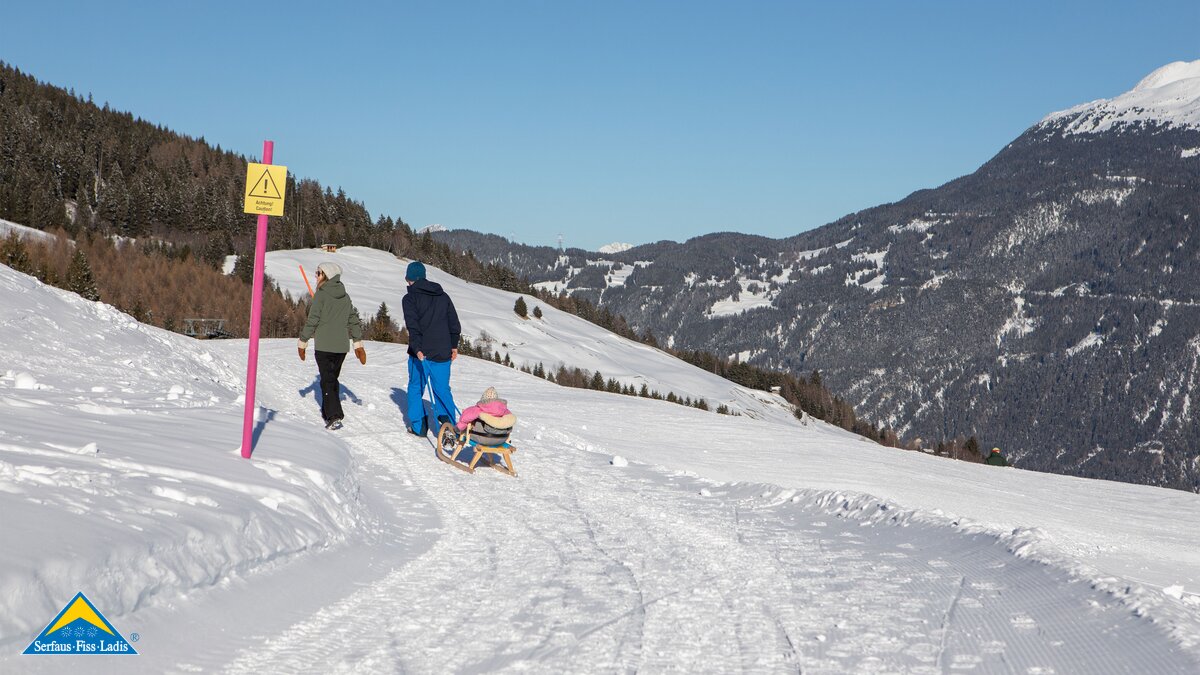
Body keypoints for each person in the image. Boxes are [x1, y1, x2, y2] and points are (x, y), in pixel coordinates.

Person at [298, 262, 365, 430]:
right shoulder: (345, 296)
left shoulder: (321, 295)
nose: (316, 275)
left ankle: (334, 415)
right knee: (331, 378)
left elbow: (313, 320)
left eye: (318, 273)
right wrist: (358, 344)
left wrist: (303, 341)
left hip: (324, 347)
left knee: (327, 381)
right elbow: (353, 320)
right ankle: (329, 411)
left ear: (326, 275)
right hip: (341, 348)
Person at [401, 261, 460, 435]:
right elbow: (454, 323)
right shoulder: (443, 296)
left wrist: (418, 349)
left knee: (415, 387)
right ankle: (448, 424)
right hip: (443, 351)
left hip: (421, 353)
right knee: (441, 388)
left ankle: (419, 426)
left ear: (411, 279)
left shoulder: (410, 298)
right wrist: (454, 345)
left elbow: (413, 326)